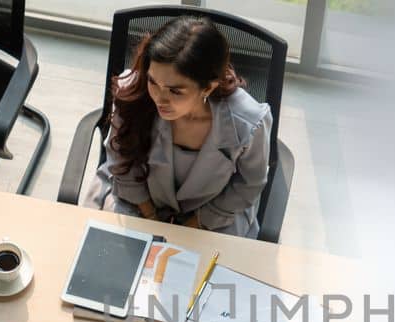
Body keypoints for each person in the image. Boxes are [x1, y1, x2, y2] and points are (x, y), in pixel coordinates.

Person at [89, 17, 273, 239]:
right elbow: (122, 163)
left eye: (175, 91)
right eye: (153, 81)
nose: (159, 98)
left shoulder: (249, 122)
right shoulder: (134, 94)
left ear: (208, 87)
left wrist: (190, 228)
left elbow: (248, 185)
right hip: (135, 200)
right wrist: (153, 221)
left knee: (205, 270)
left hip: (213, 217)